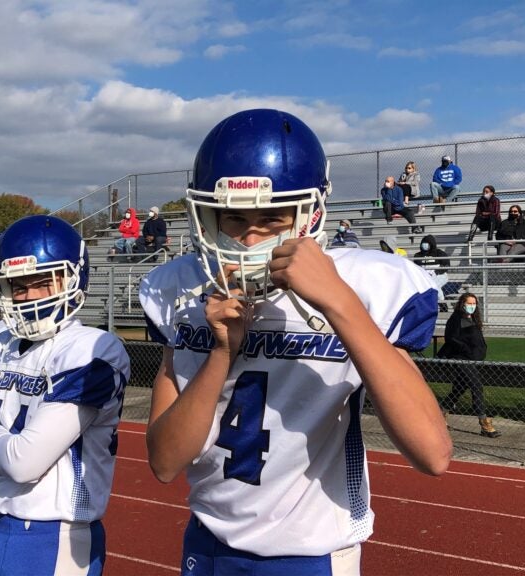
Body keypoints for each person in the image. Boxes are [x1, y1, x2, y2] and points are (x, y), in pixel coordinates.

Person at [139, 109, 451, 576]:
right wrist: (220, 354)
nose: (249, 237)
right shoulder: (180, 292)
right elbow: (165, 463)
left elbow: (433, 453)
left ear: (311, 214)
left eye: (271, 218)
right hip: (206, 544)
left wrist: (339, 303)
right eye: (233, 218)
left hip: (312, 554)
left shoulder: (364, 284)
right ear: (207, 217)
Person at [0, 215, 130, 576]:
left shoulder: (89, 350)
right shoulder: (0, 341)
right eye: (19, 286)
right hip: (2, 520)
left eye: (44, 283)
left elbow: (24, 462)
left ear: (72, 278)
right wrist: (5, 449)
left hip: (55, 534)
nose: (31, 296)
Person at [437, 293, 500, 438]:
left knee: (460, 387)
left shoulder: (472, 318)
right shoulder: (456, 319)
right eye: (469, 303)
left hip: (473, 359)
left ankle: (441, 414)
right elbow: (451, 338)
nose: (471, 306)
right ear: (462, 303)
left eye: (474, 303)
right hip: (461, 359)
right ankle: (483, 421)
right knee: (476, 385)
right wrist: (466, 349)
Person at [412, 235, 450, 309]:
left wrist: (437, 272)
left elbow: (446, 265)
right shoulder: (418, 255)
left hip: (440, 275)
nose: (425, 245)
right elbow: (416, 268)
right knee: (428, 285)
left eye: (427, 243)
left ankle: (442, 303)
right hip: (425, 277)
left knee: (434, 285)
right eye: (423, 243)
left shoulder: (439, 253)